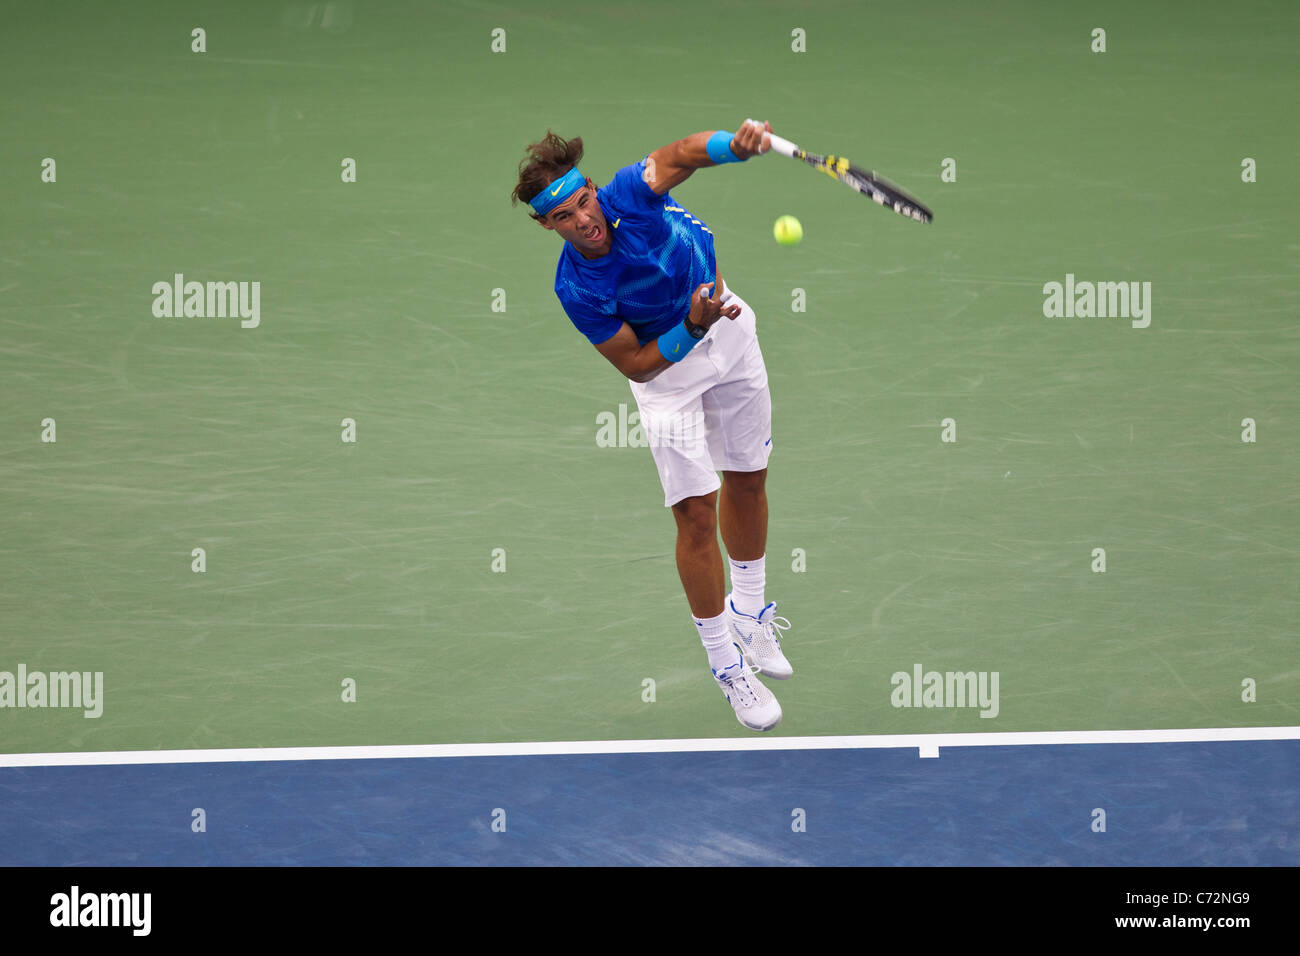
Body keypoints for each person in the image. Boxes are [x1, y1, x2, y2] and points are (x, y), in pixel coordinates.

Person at [511, 120, 793, 731]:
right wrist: (689, 328)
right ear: (547, 226)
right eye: (563, 216)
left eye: (582, 200)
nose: (583, 219)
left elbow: (684, 153)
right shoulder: (575, 288)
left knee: (748, 478)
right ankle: (725, 664)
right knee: (696, 511)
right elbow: (637, 365)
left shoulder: (628, 194)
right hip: (668, 374)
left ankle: (751, 613)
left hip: (730, 331)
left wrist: (734, 147)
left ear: (592, 188)